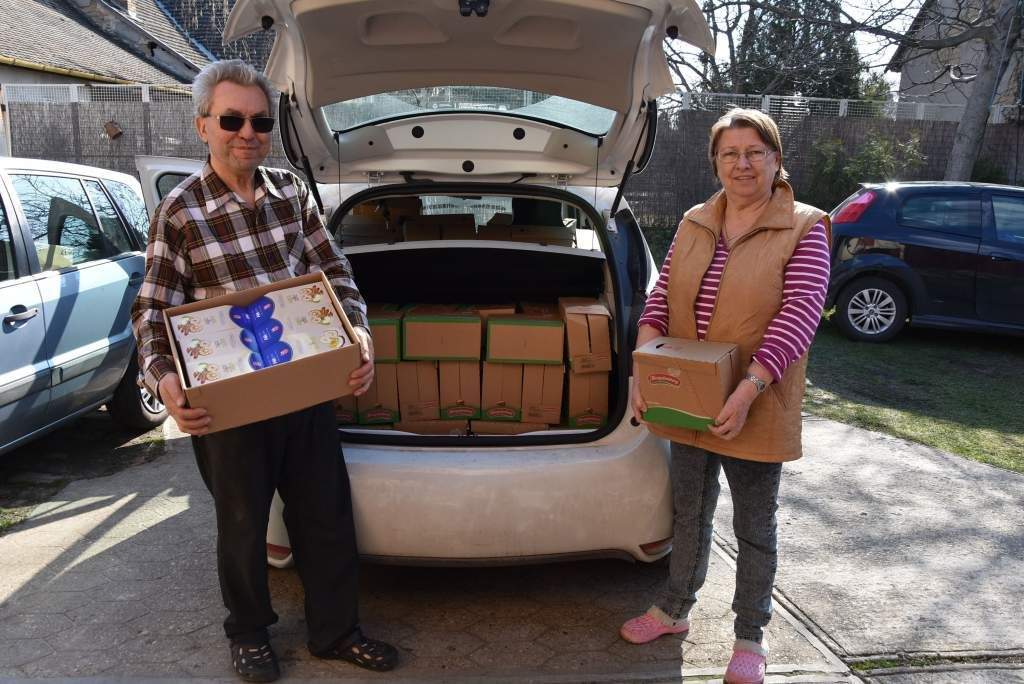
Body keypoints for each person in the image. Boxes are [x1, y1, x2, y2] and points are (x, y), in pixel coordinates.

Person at [131, 59, 397, 682]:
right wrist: (166, 383)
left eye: (258, 120)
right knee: (242, 526)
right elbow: (151, 308)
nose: (246, 132)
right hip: (228, 402)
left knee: (325, 517)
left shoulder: (292, 193)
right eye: (231, 119)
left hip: (304, 389)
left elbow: (335, 276)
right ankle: (248, 632)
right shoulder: (180, 210)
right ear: (203, 126)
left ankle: (336, 632)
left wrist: (358, 335)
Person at [620, 108, 831, 684]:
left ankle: (750, 636)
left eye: (755, 152)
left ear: (776, 158)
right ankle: (673, 610)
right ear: (714, 161)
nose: (742, 163)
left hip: (757, 401)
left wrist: (748, 389)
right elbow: (661, 297)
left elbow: (800, 315)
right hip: (687, 397)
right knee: (689, 513)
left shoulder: (806, 225)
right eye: (730, 153)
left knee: (754, 527)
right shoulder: (694, 220)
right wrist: (643, 368)